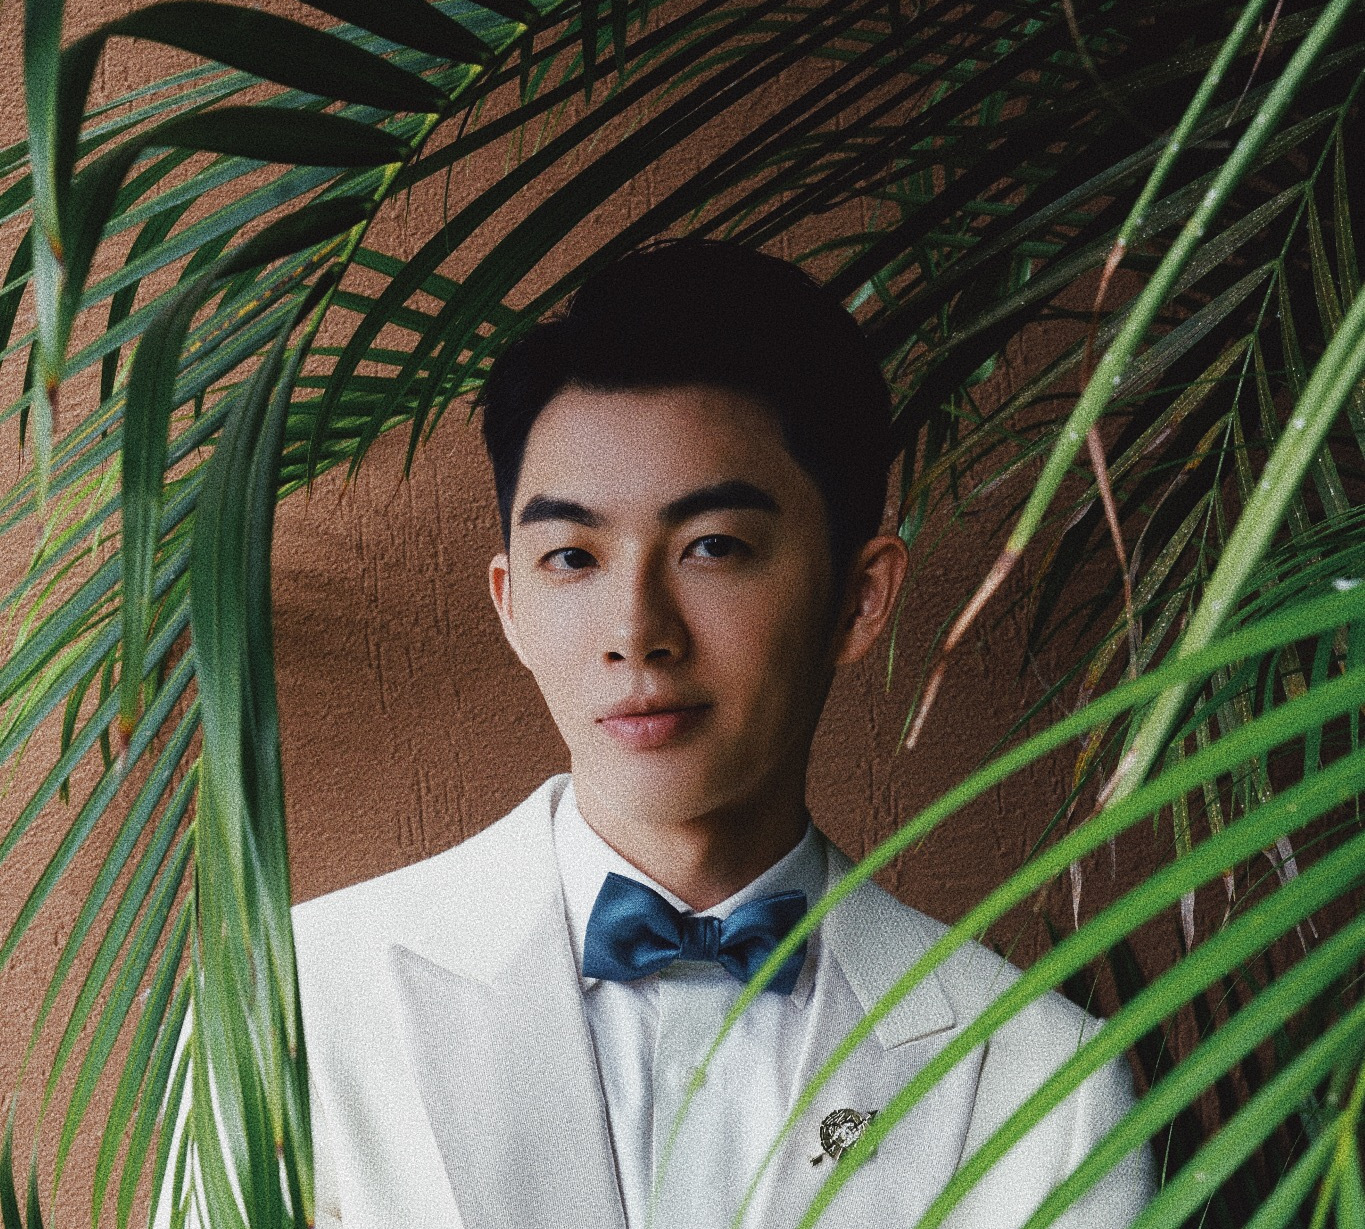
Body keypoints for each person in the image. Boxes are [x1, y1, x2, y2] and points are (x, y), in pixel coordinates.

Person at [186, 241, 1154, 1227]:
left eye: (712, 547)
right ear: (510, 604)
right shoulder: (299, 1007)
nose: (636, 630)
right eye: (573, 557)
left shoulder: (1041, 1080)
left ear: (859, 598)